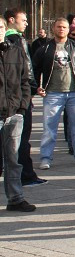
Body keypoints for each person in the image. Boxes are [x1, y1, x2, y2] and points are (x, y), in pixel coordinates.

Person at [33, 18, 75, 169]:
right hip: (53, 94)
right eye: (59, 27)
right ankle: (45, 158)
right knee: (49, 129)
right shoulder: (45, 48)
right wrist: (36, 86)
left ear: (69, 30)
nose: (61, 29)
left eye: (64, 27)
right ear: (53, 29)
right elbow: (33, 69)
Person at [2, 8, 44, 186]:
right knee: (19, 143)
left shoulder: (13, 42)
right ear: (11, 20)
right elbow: (26, 72)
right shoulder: (17, 41)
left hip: (15, 99)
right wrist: (29, 94)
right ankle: (26, 175)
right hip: (16, 101)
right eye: (23, 19)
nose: (27, 23)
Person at [0, 18, 36, 212]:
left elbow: (25, 80)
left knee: (13, 158)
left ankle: (15, 198)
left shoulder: (16, 51)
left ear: (6, 29)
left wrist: (22, 105)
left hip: (14, 113)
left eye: (0, 27)